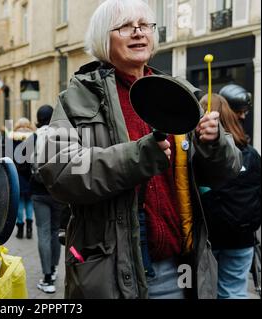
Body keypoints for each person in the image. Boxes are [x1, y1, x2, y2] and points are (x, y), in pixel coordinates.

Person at [37, 0, 242, 299]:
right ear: (102, 38)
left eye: (145, 25)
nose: (138, 33)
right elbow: (60, 172)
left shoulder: (179, 92)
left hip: (179, 269)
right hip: (110, 270)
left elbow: (227, 171)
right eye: (125, 27)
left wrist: (215, 144)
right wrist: (139, 157)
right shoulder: (77, 98)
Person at [199, 94, 261, 299]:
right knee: (234, 292)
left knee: (203, 291)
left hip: (209, 238)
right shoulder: (251, 153)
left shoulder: (198, 157)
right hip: (242, 237)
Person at [30, 105, 68, 294]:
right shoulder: (61, 136)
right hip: (59, 192)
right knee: (55, 232)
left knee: (43, 233)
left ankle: (46, 279)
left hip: (39, 192)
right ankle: (53, 271)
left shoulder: (34, 137)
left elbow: (24, 164)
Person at [11, 117, 35, 239]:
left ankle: (20, 227)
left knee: (19, 202)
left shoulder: (13, 138)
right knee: (29, 201)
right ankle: (30, 226)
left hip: (17, 174)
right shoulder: (34, 137)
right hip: (30, 175)